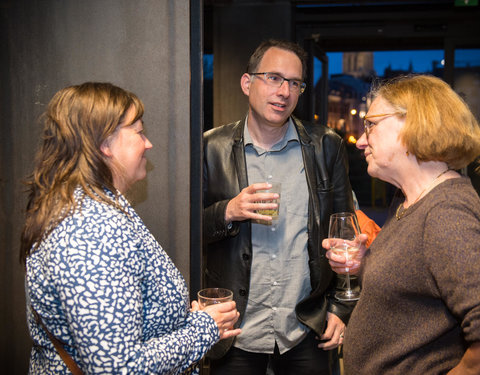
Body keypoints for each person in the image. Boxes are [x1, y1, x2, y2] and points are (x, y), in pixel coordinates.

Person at [20, 82, 241, 374]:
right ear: (104, 144)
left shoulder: (96, 207)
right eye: (138, 131)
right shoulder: (91, 231)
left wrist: (182, 321)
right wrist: (203, 327)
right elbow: (118, 368)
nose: (148, 143)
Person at [203, 39, 355, 375]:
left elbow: (346, 235)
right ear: (247, 83)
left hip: (305, 327)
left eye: (294, 83)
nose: (284, 91)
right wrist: (228, 211)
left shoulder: (325, 147)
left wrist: (342, 307)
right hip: (235, 329)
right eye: (273, 78)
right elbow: (187, 231)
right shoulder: (210, 147)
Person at [323, 74, 480, 374]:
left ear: (413, 124)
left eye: (371, 124)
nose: (362, 139)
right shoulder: (409, 199)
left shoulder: (447, 211)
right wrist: (364, 264)